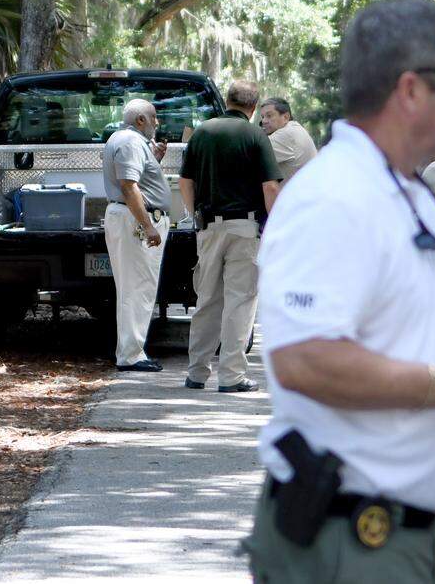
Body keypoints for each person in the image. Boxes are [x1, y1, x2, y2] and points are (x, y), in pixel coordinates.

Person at [242, 0, 435, 584]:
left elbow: (406, 344)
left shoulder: (405, 194)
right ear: (410, 89)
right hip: (348, 542)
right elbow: (304, 360)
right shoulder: (334, 197)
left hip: (395, 532)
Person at [178, 81, 282, 393]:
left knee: (207, 298)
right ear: (253, 108)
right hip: (245, 228)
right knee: (240, 300)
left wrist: (195, 213)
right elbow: (271, 187)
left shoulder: (203, 132)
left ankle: (196, 372)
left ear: (227, 101)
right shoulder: (255, 135)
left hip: (208, 226)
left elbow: (185, 181)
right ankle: (232, 375)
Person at [102, 98, 172, 373]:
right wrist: (149, 225)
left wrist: (153, 161)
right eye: (153, 117)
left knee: (134, 285)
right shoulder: (131, 142)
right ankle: (131, 355)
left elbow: (135, 180)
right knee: (137, 286)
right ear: (140, 120)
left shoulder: (126, 141)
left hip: (127, 218)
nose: (157, 122)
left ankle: (131, 350)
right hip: (134, 220)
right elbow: (129, 187)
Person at [259, 97, 318, 182]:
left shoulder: (286, 134)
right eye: (263, 117)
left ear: (286, 117)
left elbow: (247, 157)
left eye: (269, 116)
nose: (264, 121)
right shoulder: (294, 128)